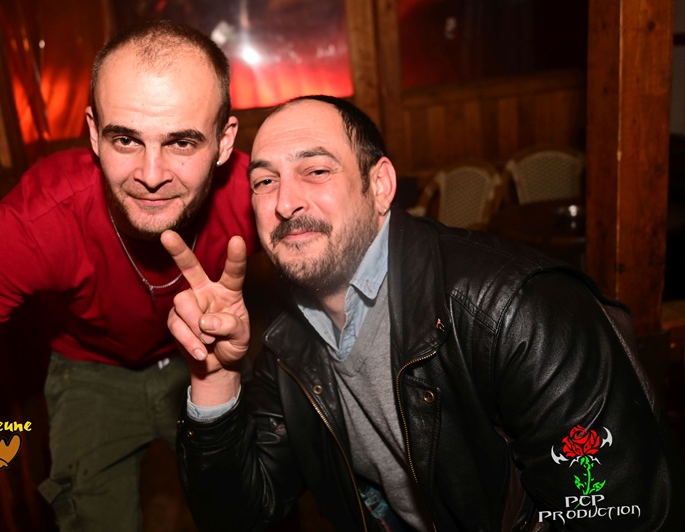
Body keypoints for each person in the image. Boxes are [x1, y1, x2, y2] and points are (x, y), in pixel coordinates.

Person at [163, 95, 685, 531]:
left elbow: (621, 514)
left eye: (316, 170)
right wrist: (214, 375)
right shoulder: (287, 333)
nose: (285, 203)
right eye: (264, 182)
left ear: (380, 186)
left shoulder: (514, 308)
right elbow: (241, 514)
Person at [0, 21, 257, 531]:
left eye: (182, 143)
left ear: (224, 141)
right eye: (125, 139)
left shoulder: (257, 196)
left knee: (252, 505)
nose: (151, 175)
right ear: (93, 134)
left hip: (209, 357)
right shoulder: (42, 219)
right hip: (91, 370)